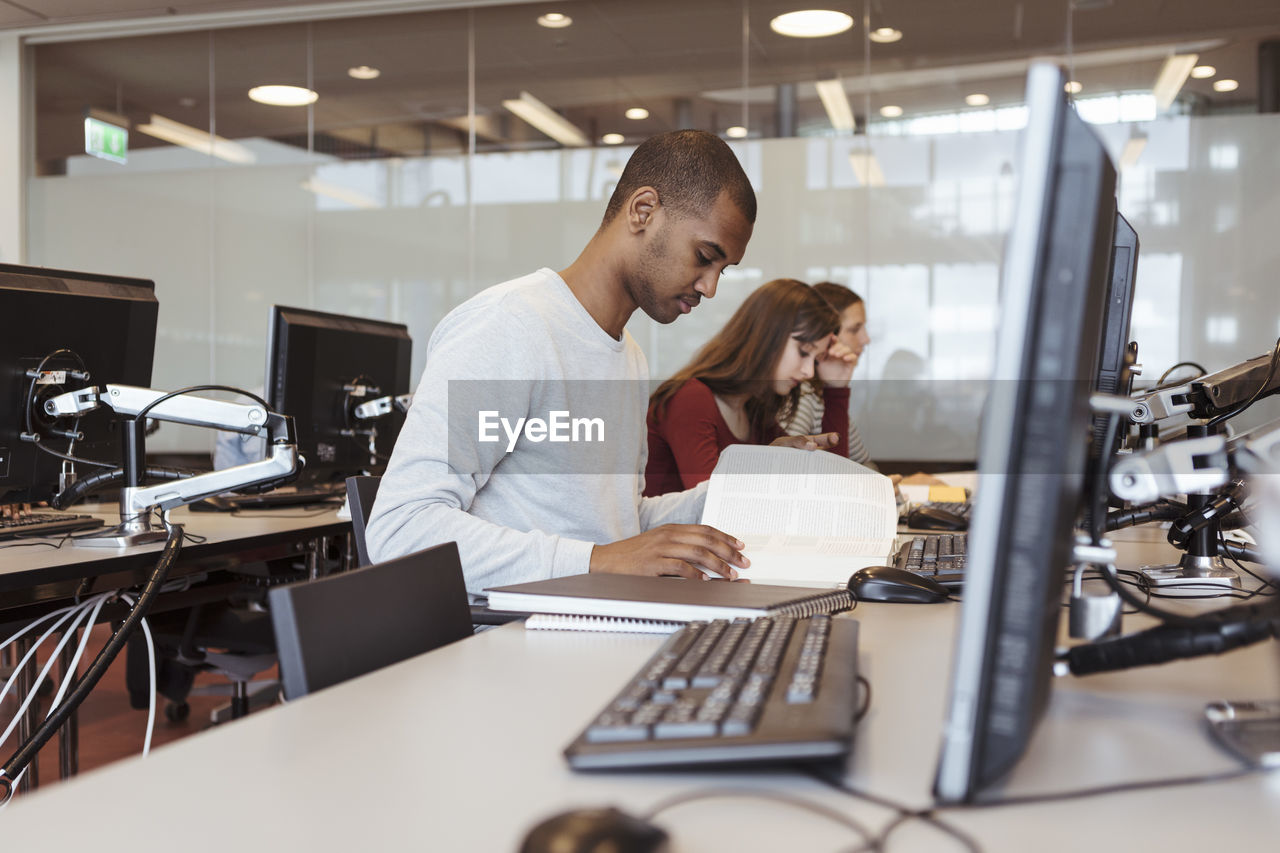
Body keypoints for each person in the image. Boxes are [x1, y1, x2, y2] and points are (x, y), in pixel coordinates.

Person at [367, 130, 775, 596]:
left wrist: (744, 492)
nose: (710, 287)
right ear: (643, 211)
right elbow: (401, 530)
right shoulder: (510, 327)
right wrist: (597, 562)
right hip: (516, 639)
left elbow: (616, 524)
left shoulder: (629, 357)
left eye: (722, 270)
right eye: (705, 257)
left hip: (599, 618)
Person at [643, 278, 853, 496]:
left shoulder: (753, 408)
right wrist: (763, 464)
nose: (809, 371)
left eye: (816, 359)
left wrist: (836, 390)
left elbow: (833, 490)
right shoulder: (691, 399)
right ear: (767, 336)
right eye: (803, 352)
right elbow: (716, 507)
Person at [781, 281, 877, 468]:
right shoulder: (800, 391)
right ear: (825, 333)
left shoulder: (821, 392)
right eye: (854, 329)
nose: (866, 339)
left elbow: (863, 463)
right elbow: (788, 466)